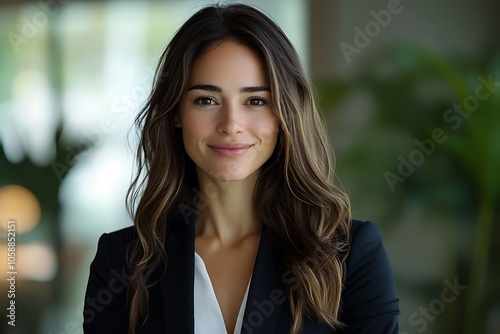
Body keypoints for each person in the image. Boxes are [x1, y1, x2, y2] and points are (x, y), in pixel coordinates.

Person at [83, 3, 399, 334]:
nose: (231, 124)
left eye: (255, 101)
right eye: (206, 100)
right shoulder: (122, 261)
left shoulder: (349, 255)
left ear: (284, 113)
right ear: (176, 112)